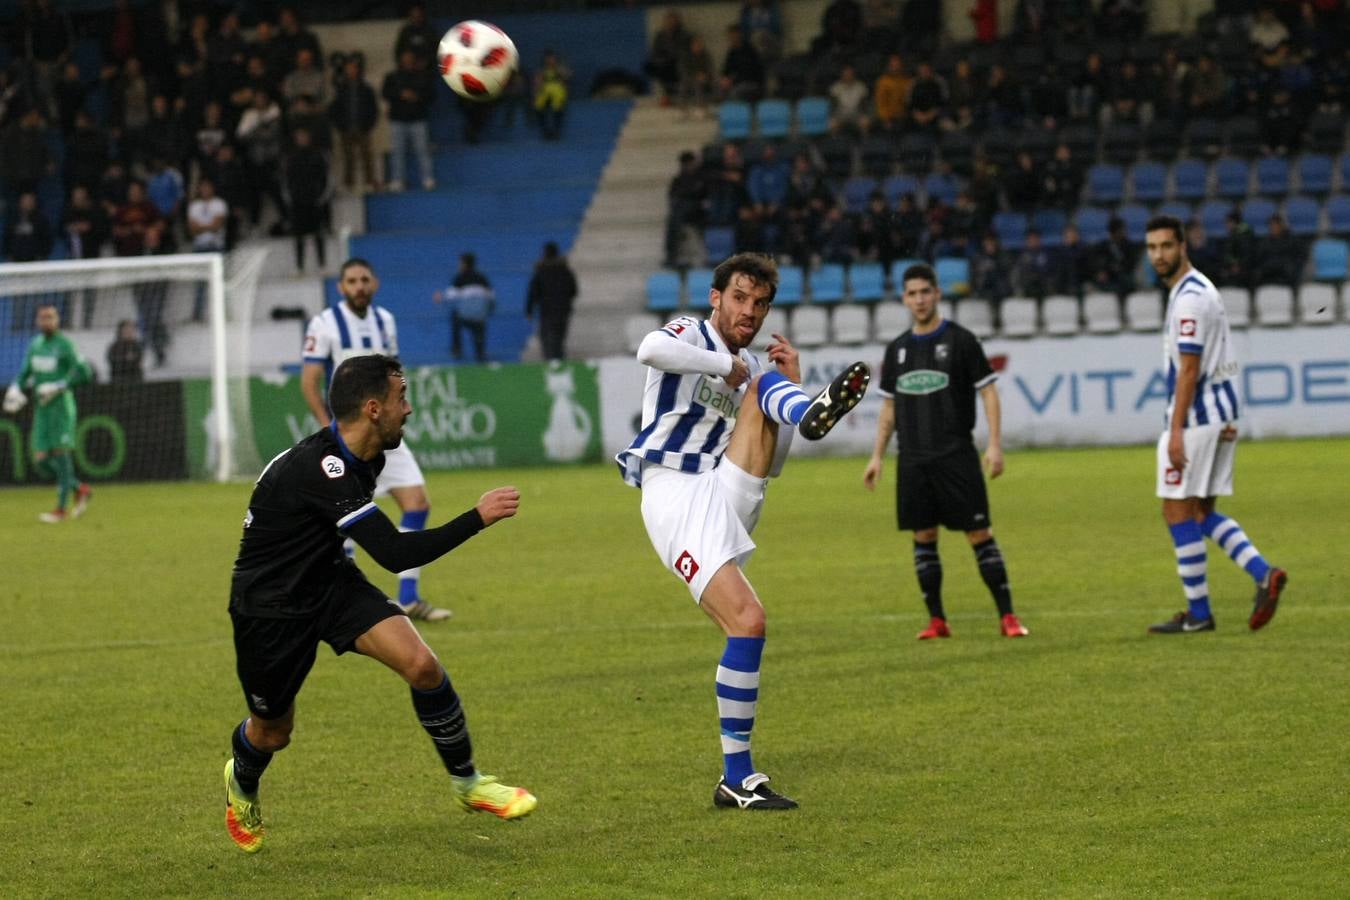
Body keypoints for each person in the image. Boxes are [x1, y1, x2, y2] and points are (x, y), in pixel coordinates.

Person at [222, 355, 538, 852]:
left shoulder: (369, 456)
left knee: (423, 666)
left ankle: (468, 783)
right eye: (401, 398)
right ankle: (241, 782)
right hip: (270, 608)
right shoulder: (320, 468)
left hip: (330, 583)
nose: (408, 409)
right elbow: (393, 554)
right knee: (273, 731)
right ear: (373, 408)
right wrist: (477, 517)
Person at [616, 252, 871, 810]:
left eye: (760, 304)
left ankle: (802, 407)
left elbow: (772, 464)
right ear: (716, 298)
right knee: (749, 622)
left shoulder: (751, 366)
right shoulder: (690, 332)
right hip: (675, 491)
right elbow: (648, 349)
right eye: (739, 298)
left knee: (764, 387)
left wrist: (790, 389)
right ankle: (737, 777)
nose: (748, 312)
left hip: (725, 486)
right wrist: (720, 366)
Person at [862, 263, 1028, 640]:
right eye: (912, 293)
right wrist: (877, 456)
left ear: (937, 294)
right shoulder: (899, 349)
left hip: (956, 455)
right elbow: (888, 409)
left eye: (925, 292)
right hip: (913, 460)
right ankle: (937, 621)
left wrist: (995, 445)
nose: (919, 299)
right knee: (923, 537)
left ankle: (1008, 617)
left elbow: (988, 391)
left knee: (979, 533)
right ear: (904, 299)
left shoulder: (962, 341)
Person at [1141, 216, 1287, 635]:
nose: (1159, 255)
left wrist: (1176, 430)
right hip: (1218, 414)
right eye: (1152, 248)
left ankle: (1201, 612)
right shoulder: (1199, 289)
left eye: (1166, 246)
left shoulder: (1189, 299)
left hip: (1198, 419)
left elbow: (1189, 370)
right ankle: (1262, 574)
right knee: (1202, 512)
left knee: (1176, 510)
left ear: (1183, 245)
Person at [301, 259, 451, 622]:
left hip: (382, 432)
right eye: (351, 281)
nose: (359, 286)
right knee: (343, 514)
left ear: (375, 283)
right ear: (340, 287)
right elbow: (309, 382)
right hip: (347, 436)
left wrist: (396, 413)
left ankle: (409, 598)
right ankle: (344, 599)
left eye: (364, 280)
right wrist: (330, 431)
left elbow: (393, 376)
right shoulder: (324, 324)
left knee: (417, 502)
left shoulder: (385, 320)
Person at [4, 304, 93, 523]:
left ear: (57, 320)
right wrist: (16, 387)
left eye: (50, 318)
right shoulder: (35, 345)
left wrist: (59, 385)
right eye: (43, 318)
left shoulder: (65, 345)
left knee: (61, 457)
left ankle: (61, 510)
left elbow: (85, 373)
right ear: (37, 321)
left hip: (61, 409)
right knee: (41, 460)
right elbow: (25, 373)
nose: (46, 322)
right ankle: (79, 488)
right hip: (42, 410)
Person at [434, 252, 494, 363]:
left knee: (455, 317)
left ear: (464, 264)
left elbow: (450, 295)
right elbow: (491, 297)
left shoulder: (460, 278)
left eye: (460, 263)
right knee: (479, 328)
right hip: (480, 317)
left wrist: (440, 297)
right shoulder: (482, 278)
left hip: (464, 316)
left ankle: (457, 349)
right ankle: (480, 353)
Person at [525, 242, 578, 361]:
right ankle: (558, 358)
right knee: (559, 336)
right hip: (563, 309)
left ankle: (550, 360)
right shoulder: (565, 271)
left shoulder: (540, 271)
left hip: (546, 310)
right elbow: (574, 290)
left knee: (546, 336)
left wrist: (529, 310)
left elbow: (533, 292)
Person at [106, 318, 144, 383]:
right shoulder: (115, 347)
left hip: (135, 381)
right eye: (126, 330)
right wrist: (126, 359)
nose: (130, 332)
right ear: (121, 331)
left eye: (132, 330)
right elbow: (112, 361)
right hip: (119, 381)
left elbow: (139, 360)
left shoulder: (137, 346)